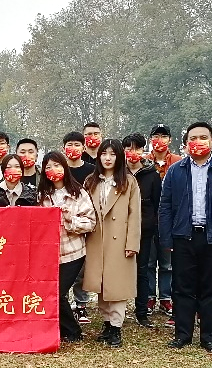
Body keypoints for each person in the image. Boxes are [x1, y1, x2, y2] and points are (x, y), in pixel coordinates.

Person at [158, 122, 212, 354]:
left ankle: (209, 337)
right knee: (182, 288)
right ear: (186, 143)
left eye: (203, 137)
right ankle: (182, 334)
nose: (198, 142)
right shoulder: (176, 171)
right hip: (183, 237)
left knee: (211, 288)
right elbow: (165, 207)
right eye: (193, 138)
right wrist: (166, 238)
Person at [82, 140, 141, 348]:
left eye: (112, 154)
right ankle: (107, 323)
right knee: (101, 284)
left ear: (119, 157)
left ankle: (116, 326)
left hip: (120, 240)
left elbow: (135, 215)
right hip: (96, 239)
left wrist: (132, 242)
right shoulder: (91, 181)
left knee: (117, 285)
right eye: (104, 154)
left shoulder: (128, 181)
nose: (108, 158)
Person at [38, 151, 96, 344]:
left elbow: (91, 223)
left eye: (57, 165)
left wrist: (70, 219)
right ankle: (59, 328)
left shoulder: (78, 193)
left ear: (64, 167)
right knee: (50, 292)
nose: (53, 170)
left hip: (73, 252)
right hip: (49, 254)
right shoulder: (42, 196)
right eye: (48, 167)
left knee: (58, 292)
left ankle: (73, 331)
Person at [123, 133, 161, 328]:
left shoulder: (152, 174)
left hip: (144, 230)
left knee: (142, 270)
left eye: (137, 148)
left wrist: (153, 225)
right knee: (119, 270)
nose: (133, 152)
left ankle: (141, 312)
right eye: (129, 148)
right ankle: (117, 311)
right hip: (119, 230)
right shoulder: (118, 173)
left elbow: (157, 204)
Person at [147, 123, 180, 323]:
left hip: (170, 220)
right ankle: (150, 296)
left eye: (164, 136)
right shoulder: (144, 162)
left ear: (170, 140)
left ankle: (166, 297)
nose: (159, 140)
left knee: (167, 264)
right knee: (149, 262)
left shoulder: (178, 162)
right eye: (156, 136)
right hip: (149, 220)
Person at [62, 130, 95, 325]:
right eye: (69, 145)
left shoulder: (92, 170)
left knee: (82, 268)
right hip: (63, 226)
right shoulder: (60, 168)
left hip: (84, 221)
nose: (73, 148)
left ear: (83, 148)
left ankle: (81, 304)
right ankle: (64, 303)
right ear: (63, 148)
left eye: (77, 145)